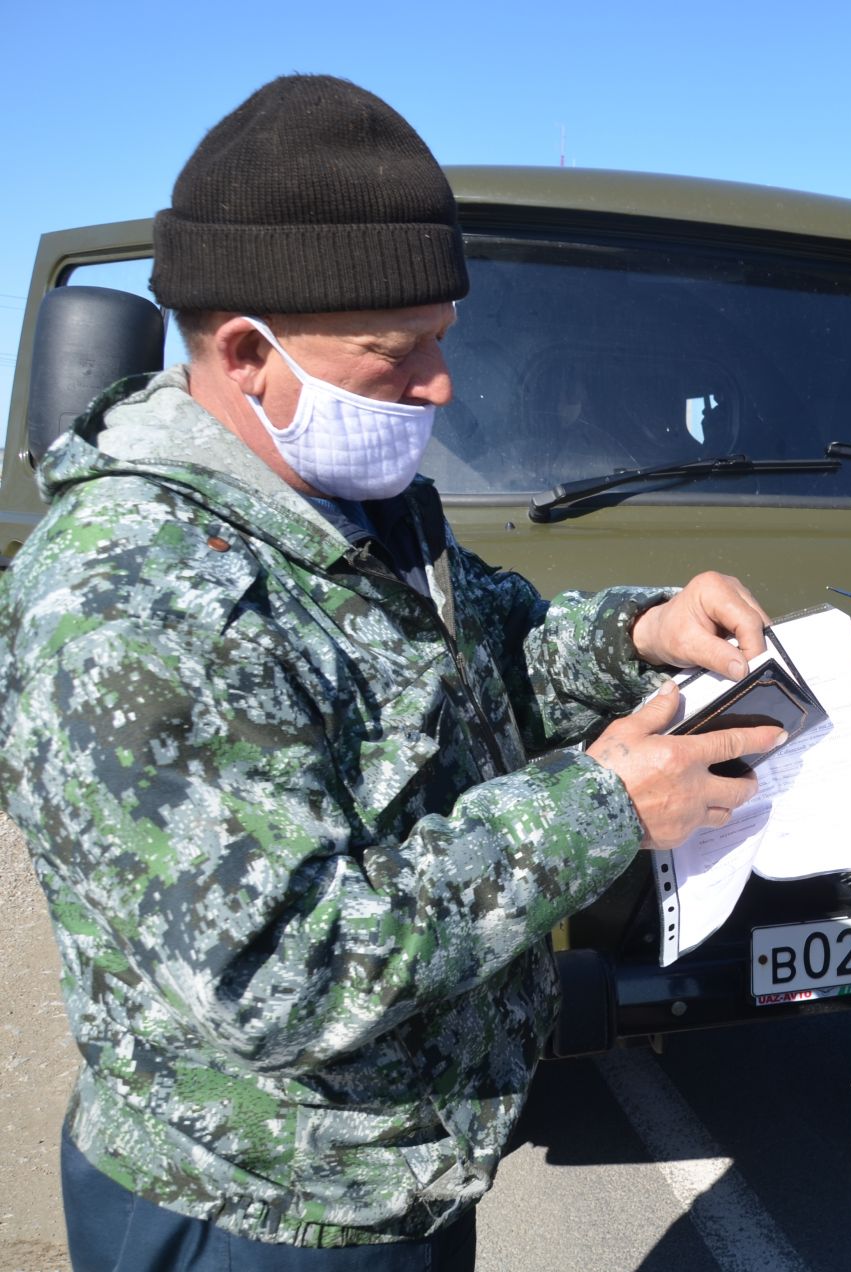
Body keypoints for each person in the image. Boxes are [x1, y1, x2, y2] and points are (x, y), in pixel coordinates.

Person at [0, 75, 783, 1269]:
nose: (439, 385)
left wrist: (643, 632)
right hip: (257, 1212)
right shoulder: (135, 601)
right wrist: (602, 806)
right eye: (395, 352)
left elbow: (500, 649)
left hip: (399, 1180)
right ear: (248, 352)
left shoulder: (357, 507)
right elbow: (279, 971)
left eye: (443, 341)